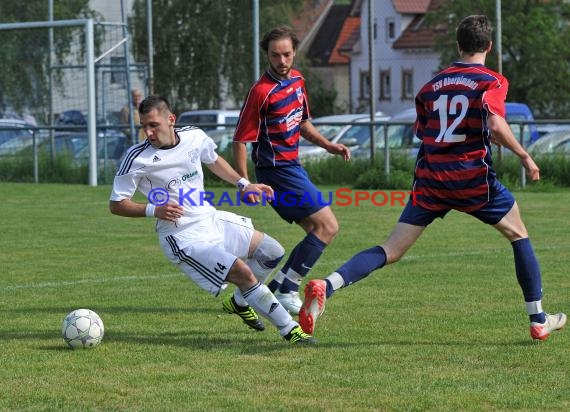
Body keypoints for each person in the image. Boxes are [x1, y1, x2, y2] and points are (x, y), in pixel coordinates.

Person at [299, 15, 566, 341]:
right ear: (489, 46)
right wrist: (524, 155)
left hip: (430, 180)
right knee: (519, 234)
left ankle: (328, 285)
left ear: (458, 45)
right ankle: (538, 319)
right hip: (470, 179)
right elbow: (495, 125)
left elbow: (426, 132)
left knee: (391, 249)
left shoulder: (430, 86)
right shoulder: (491, 81)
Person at [109, 95, 316, 344]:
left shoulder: (194, 136)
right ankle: (289, 329)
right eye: (144, 126)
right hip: (181, 236)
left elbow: (214, 160)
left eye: (154, 125)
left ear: (171, 120)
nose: (149, 132)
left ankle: (241, 303)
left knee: (271, 251)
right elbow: (116, 204)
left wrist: (244, 184)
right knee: (242, 273)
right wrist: (155, 209)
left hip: (210, 218)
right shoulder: (137, 158)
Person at [233, 25, 351, 315]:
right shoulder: (260, 92)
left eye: (286, 54)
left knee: (315, 230)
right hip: (275, 172)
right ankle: (286, 289)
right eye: (275, 55)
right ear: (268, 56)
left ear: (294, 52)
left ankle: (263, 293)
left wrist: (327, 145)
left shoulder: (297, 80)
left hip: (293, 168)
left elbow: (303, 123)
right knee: (328, 226)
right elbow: (240, 141)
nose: (282, 61)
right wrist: (244, 183)